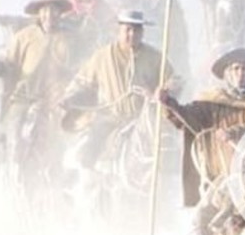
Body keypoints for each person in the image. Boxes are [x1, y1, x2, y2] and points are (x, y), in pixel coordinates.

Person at [158, 48, 245, 235]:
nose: (240, 74)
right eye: (235, 69)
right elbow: (188, 119)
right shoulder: (211, 101)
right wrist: (169, 103)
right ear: (227, 74)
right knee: (201, 217)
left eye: (244, 69)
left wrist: (234, 132)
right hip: (220, 176)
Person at [62, 10, 177, 172]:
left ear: (142, 32)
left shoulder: (154, 57)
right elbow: (81, 81)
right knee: (88, 151)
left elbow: (174, 79)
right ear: (119, 30)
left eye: (137, 30)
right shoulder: (102, 57)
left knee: (169, 148)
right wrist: (69, 97)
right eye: (128, 29)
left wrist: (162, 91)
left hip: (144, 118)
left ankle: (170, 180)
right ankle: (89, 181)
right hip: (111, 117)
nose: (132, 34)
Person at [0, 0, 78, 184]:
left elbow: (80, 67)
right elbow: (9, 59)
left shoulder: (69, 40)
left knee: (67, 137)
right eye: (45, 10)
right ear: (39, 14)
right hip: (24, 98)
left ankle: (62, 178)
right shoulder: (24, 36)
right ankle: (11, 171)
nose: (49, 15)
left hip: (55, 101)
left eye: (54, 10)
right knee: (14, 132)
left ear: (60, 14)